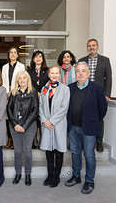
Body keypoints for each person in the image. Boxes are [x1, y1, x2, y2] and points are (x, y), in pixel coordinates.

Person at [65, 62, 107, 194]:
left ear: (88, 73)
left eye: (83, 71)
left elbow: (103, 109)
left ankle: (89, 181)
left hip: (89, 127)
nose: (81, 73)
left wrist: (94, 120)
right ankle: (76, 176)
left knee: (89, 155)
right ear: (75, 73)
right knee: (75, 153)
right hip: (73, 127)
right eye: (78, 71)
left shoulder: (97, 88)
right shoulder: (70, 88)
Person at [79, 39, 112, 152]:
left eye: (93, 45)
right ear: (87, 47)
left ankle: (99, 141)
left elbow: (109, 78)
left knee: (99, 118)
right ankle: (85, 140)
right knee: (84, 116)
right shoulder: (82, 60)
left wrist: (107, 94)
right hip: (85, 92)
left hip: (99, 94)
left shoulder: (105, 60)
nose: (91, 47)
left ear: (97, 46)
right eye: (89, 46)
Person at [39, 66, 70, 188]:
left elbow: (64, 108)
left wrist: (51, 121)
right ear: (49, 74)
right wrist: (44, 121)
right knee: (49, 151)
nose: (54, 75)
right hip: (46, 124)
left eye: (57, 73)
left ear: (59, 74)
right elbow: (40, 106)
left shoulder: (65, 89)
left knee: (58, 150)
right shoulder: (44, 89)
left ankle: (56, 176)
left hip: (58, 124)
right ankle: (50, 174)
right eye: (52, 73)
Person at [7, 71, 39, 186]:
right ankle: (18, 173)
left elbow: (35, 111)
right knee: (17, 150)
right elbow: (9, 109)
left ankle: (28, 174)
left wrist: (24, 126)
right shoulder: (14, 93)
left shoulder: (33, 93)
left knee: (27, 151)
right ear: (17, 80)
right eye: (19, 78)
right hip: (15, 125)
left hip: (29, 126)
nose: (22, 80)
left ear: (28, 79)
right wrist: (15, 124)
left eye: (24, 78)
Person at [2, 46, 25, 149]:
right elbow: (3, 80)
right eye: (11, 52)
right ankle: (9, 139)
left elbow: (22, 80)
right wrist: (7, 91)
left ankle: (15, 140)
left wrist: (13, 91)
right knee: (8, 116)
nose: (12, 54)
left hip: (17, 93)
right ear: (8, 54)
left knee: (15, 116)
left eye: (14, 52)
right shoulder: (4, 67)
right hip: (6, 94)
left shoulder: (21, 66)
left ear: (17, 55)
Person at [27, 50, 49, 149]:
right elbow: (27, 84)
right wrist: (36, 93)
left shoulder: (47, 71)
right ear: (33, 59)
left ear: (43, 59)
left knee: (42, 120)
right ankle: (33, 139)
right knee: (33, 119)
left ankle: (42, 141)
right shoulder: (29, 71)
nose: (38, 58)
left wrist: (43, 92)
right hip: (32, 99)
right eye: (36, 57)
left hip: (44, 99)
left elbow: (50, 84)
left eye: (40, 56)